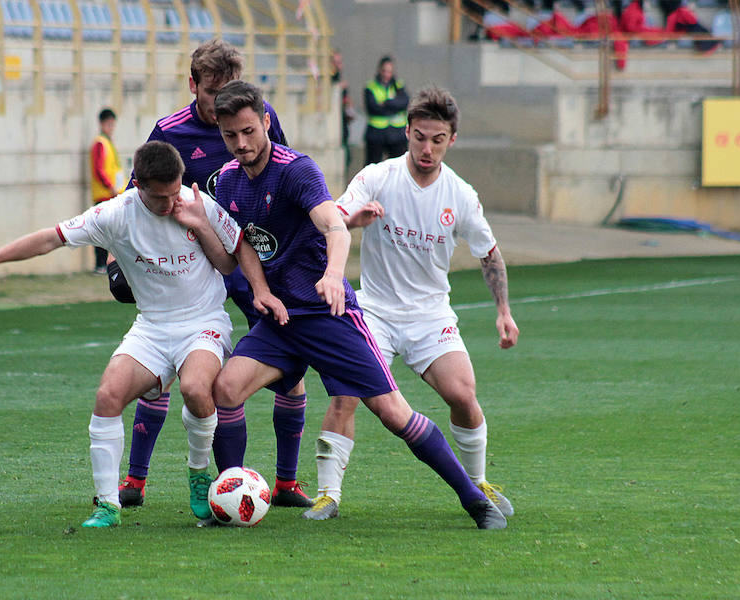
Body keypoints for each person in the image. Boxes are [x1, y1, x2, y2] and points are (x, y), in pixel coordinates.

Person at [209, 79, 506, 530]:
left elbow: (334, 226)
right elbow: (242, 241)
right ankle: (231, 500)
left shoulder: (296, 170)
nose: (241, 143)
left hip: (330, 316)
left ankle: (474, 499)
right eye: (231, 135)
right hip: (282, 319)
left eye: (249, 131)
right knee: (225, 389)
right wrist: (261, 290)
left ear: (266, 122)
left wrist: (331, 276)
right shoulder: (227, 181)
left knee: (393, 413)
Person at [0, 141, 287, 528]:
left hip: (203, 321)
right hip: (153, 326)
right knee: (108, 395)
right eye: (160, 197)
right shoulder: (114, 214)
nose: (169, 204)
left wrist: (199, 224)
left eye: (174, 192)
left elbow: (231, 261)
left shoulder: (199, 204)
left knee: (196, 388)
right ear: (138, 185)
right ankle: (108, 505)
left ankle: (198, 474)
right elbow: (50, 238)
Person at [111, 39, 313, 511]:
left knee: (288, 364)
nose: (222, 108)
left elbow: (283, 176)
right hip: (189, 272)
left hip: (248, 258)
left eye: (230, 92)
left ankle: (284, 483)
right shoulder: (168, 131)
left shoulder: (258, 119)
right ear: (192, 85)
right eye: (212, 95)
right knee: (167, 365)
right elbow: (134, 194)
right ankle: (137, 480)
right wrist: (114, 259)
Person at [303, 87, 519, 522]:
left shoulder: (460, 195)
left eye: (437, 139)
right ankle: (328, 495)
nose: (427, 147)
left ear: (452, 140)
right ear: (406, 131)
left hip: (430, 315)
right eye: (419, 136)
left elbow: (489, 253)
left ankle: (477, 482)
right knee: (346, 395)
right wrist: (353, 218)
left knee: (463, 393)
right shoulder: (377, 177)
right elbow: (330, 217)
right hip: (375, 312)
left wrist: (503, 312)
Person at [89, 107, 121, 275]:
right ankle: (100, 264)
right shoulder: (100, 143)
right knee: (101, 231)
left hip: (111, 194)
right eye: (109, 124)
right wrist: (111, 187)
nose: (111, 127)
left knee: (110, 232)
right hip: (104, 194)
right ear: (102, 124)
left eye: (113, 125)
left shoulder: (108, 142)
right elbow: (99, 169)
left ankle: (107, 264)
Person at [363, 56, 408, 166]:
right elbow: (373, 108)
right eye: (384, 71)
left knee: (398, 167)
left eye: (389, 71)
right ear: (379, 70)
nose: (386, 74)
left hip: (397, 133)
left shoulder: (398, 85)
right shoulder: (371, 87)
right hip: (376, 133)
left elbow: (404, 102)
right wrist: (394, 106)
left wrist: (386, 103)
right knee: (372, 166)